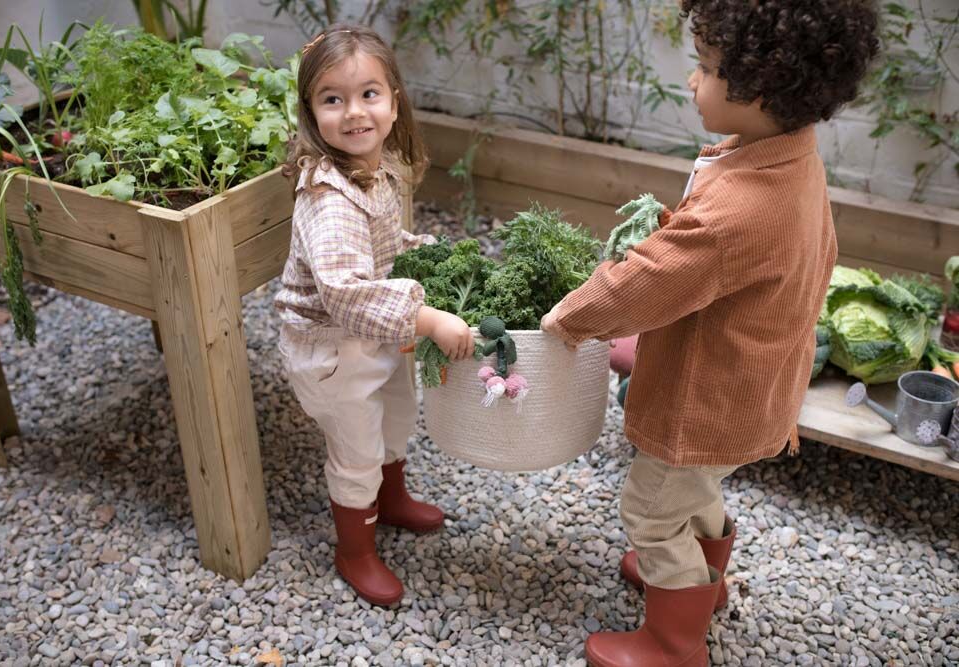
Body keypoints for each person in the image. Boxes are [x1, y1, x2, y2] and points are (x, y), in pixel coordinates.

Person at [540, 2, 879, 664]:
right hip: (754, 387)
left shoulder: (742, 207)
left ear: (764, 86)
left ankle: (674, 639)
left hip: (706, 400)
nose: (693, 81)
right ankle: (702, 579)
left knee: (652, 507)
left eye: (707, 67)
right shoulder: (791, 161)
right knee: (695, 489)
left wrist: (571, 317)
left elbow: (650, 278)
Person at [274, 24, 474, 607]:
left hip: (373, 336)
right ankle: (354, 550)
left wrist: (422, 252)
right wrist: (430, 316)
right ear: (312, 113)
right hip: (333, 349)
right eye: (332, 99)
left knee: (394, 414)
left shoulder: (374, 166)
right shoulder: (328, 197)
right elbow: (345, 290)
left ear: (393, 104)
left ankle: (391, 500)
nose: (354, 112)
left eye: (369, 94)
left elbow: (381, 243)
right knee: (356, 446)